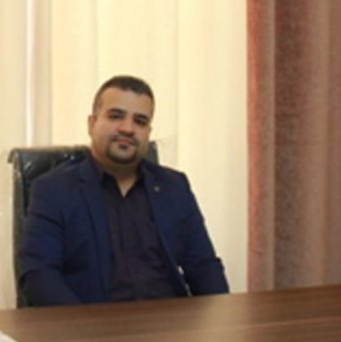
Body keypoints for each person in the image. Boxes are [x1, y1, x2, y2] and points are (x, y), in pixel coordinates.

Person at [18, 75, 229, 306]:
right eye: (116, 116)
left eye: (140, 121)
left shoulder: (174, 187)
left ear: (148, 132)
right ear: (92, 124)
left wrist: (220, 318)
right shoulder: (53, 190)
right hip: (93, 322)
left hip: (170, 322)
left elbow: (203, 267)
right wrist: (84, 325)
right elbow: (39, 276)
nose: (128, 128)